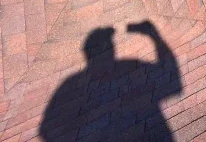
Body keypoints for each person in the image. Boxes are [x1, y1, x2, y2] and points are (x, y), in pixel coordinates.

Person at [39, 20, 181, 141]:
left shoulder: (70, 84)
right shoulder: (129, 67)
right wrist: (154, 36)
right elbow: (172, 80)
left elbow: (46, 130)